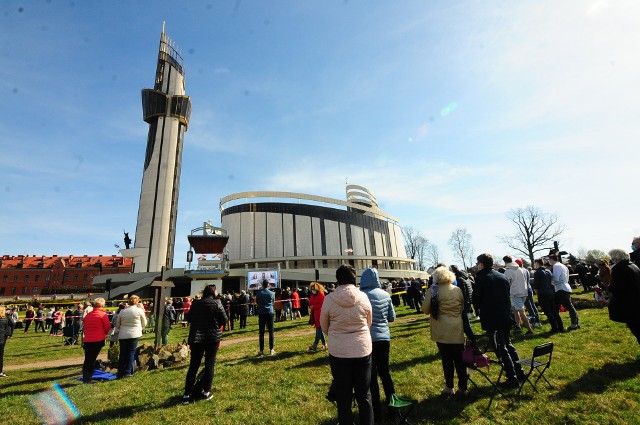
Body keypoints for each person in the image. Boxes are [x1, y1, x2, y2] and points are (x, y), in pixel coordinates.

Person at [320, 264, 374, 425]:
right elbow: (369, 321)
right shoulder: (363, 297)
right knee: (364, 394)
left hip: (339, 351)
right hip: (362, 349)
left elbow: (324, 325)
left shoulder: (330, 299)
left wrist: (337, 335)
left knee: (343, 396)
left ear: (337, 280)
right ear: (354, 278)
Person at [473, 253, 526, 388]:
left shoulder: (482, 278)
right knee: (508, 344)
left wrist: (478, 308)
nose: (477, 266)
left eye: (478, 263)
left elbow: (476, 299)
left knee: (501, 347)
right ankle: (520, 372)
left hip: (492, 316)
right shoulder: (501, 275)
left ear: (482, 264)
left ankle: (512, 378)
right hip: (505, 314)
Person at [423, 266, 467, 396]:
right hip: (457, 327)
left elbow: (425, 310)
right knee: (460, 360)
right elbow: (462, 308)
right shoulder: (457, 290)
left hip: (441, 328)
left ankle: (449, 386)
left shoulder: (433, 290)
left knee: (446, 359)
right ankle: (463, 387)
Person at [360, 267, 397, 420]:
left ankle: (376, 411)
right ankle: (393, 405)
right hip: (384, 338)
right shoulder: (385, 295)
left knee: (372, 376)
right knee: (385, 373)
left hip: (368, 339)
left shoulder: (362, 296)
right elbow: (392, 317)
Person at [182, 284, 228, 405]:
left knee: (193, 366)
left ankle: (186, 394)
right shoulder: (217, 303)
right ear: (213, 292)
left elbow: (190, 318)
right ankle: (206, 391)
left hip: (197, 338)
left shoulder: (196, 303)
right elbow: (225, 320)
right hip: (212, 338)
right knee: (209, 365)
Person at [607, 248, 640, 344]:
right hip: (636, 299)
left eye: (612, 257)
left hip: (629, 303)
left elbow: (617, 287)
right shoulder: (633, 265)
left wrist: (610, 286)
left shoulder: (619, 268)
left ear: (616, 258)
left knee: (636, 329)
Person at [115, 295, 147, 378]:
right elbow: (144, 322)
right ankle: (128, 372)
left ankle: (120, 372)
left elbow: (117, 324)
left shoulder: (122, 311)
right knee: (131, 352)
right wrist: (140, 328)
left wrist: (120, 329)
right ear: (137, 302)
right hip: (135, 334)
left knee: (122, 353)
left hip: (123, 334)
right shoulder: (139, 311)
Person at [81, 298, 111, 383]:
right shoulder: (102, 315)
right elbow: (107, 327)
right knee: (92, 359)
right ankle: (88, 378)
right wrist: (103, 333)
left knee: (88, 359)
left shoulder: (89, 315)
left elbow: (85, 326)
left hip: (87, 340)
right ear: (102, 305)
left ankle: (86, 377)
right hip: (97, 339)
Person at [503, 256, 534, 335]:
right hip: (524, 292)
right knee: (515, 310)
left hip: (515, 293)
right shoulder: (520, 269)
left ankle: (529, 330)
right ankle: (518, 327)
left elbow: (507, 284)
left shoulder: (508, 271)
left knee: (520, 311)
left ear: (506, 262)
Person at [532, 259, 564, 333]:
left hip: (543, 294)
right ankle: (560, 326)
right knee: (554, 311)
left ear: (537, 263)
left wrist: (537, 294)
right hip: (551, 292)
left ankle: (554, 328)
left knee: (548, 312)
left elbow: (536, 286)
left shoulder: (538, 272)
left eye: (535, 263)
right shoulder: (548, 271)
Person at [549, 255, 579, 330]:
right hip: (564, 286)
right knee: (566, 306)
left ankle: (574, 323)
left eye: (549, 260)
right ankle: (573, 323)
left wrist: (550, 280)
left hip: (561, 288)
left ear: (551, 259)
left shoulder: (556, 266)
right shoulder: (563, 265)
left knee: (569, 306)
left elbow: (556, 278)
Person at [450, 265, 476, 348]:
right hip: (468, 302)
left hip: (464, 303)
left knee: (465, 324)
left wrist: (461, 304)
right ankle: (471, 340)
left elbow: (463, 293)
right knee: (465, 322)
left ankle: (472, 341)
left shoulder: (459, 279)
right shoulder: (465, 276)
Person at [255, 280, 276, 356]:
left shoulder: (258, 293)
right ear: (268, 285)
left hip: (261, 313)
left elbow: (257, 302)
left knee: (261, 332)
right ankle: (271, 349)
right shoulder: (272, 293)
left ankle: (261, 350)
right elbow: (273, 302)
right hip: (270, 312)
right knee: (271, 332)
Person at [308, 282, 327, 351]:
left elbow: (322, 304)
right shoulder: (313, 295)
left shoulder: (322, 295)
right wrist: (310, 306)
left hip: (320, 314)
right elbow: (310, 303)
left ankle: (315, 345)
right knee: (319, 329)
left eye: (314, 289)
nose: (313, 290)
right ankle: (324, 344)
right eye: (312, 289)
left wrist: (314, 307)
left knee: (318, 329)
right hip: (315, 314)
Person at [0, 306, 16, 378]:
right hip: (2, 338)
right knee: (0, 355)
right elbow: (12, 324)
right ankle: (0, 372)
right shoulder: (6, 318)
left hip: (2, 337)